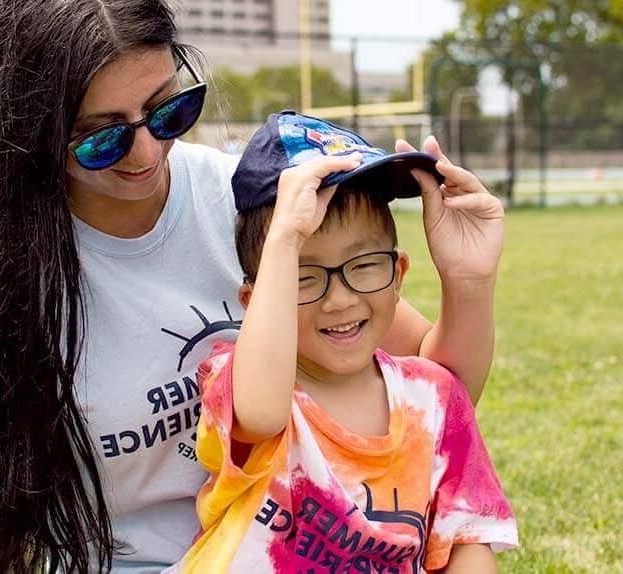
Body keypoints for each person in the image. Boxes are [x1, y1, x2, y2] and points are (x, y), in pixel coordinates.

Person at [0, 1, 503, 572]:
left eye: (168, 110)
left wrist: (468, 283)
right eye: (103, 136)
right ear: (34, 135)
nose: (149, 148)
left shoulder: (246, 199)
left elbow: (429, 388)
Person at [173, 113, 516, 573]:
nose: (340, 299)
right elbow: (259, 414)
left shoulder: (432, 394)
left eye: (364, 264)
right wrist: (283, 242)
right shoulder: (236, 377)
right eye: (302, 274)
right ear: (255, 301)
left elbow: (468, 538)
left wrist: (470, 280)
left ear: (399, 274)